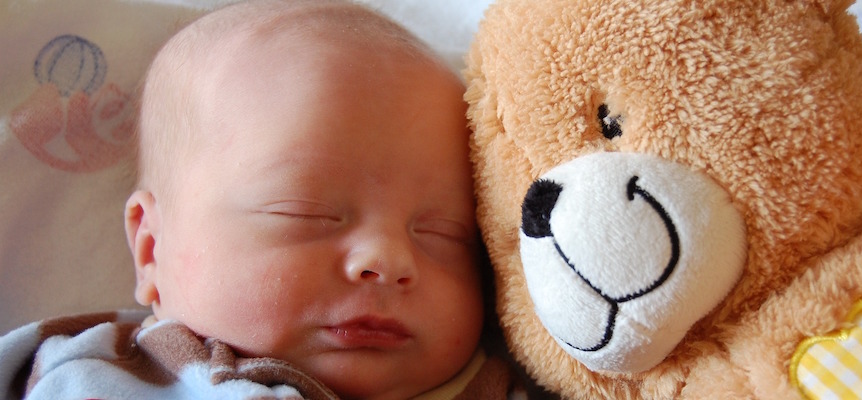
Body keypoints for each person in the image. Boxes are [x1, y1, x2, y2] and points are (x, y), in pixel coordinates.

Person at [0, 1, 522, 398]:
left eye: (444, 233)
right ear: (151, 247)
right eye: (304, 212)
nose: (389, 260)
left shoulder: (495, 384)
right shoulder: (97, 375)